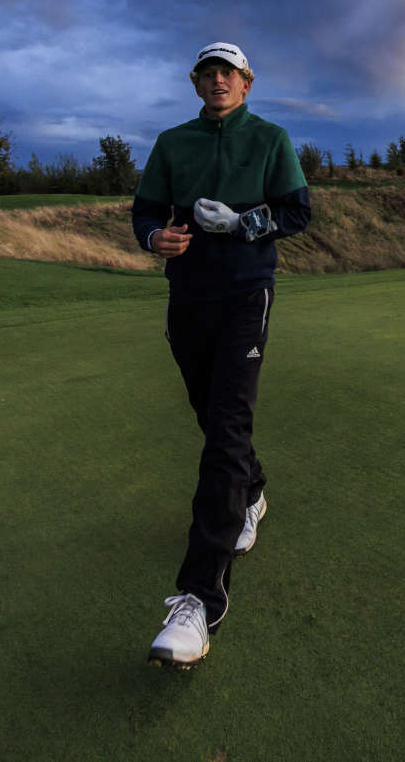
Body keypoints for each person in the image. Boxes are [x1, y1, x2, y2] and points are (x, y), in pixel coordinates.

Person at [131, 41, 312, 668]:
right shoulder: (172, 142)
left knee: (226, 428)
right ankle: (252, 490)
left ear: (247, 81)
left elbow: (297, 210)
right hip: (188, 297)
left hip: (244, 296)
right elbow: (147, 209)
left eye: (227, 73)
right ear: (196, 83)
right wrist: (158, 235)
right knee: (213, 415)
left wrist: (242, 225)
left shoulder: (270, 138)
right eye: (206, 74)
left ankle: (199, 601)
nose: (217, 81)